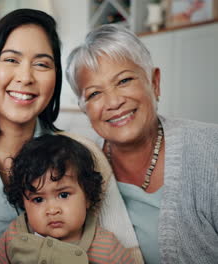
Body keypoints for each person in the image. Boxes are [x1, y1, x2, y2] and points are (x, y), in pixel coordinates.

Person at [0, 9, 138, 264]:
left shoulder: (86, 155)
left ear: (55, 79)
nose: (25, 77)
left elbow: (127, 253)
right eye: (11, 60)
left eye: (41, 64)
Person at [65, 24, 218, 263]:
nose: (113, 102)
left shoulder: (211, 150)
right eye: (95, 94)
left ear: (154, 83)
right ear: (85, 109)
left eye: (124, 80)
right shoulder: (77, 168)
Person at [0, 134, 134, 264]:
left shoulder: (106, 247)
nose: (52, 210)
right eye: (38, 199)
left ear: (87, 196)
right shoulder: (15, 235)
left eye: (63, 195)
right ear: (23, 203)